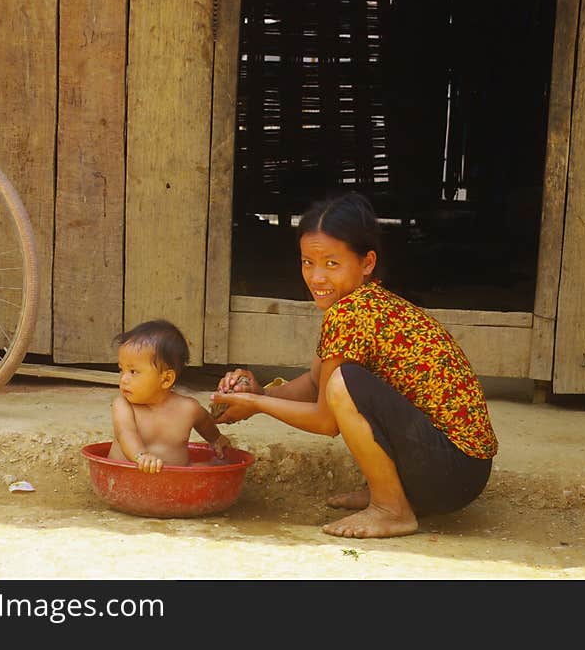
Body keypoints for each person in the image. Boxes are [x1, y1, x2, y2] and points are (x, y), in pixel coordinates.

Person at [210, 191, 498, 538]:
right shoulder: (357, 304)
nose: (316, 278)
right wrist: (258, 393)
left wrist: (256, 404)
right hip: (457, 472)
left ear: (367, 263)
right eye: (307, 262)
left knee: (345, 383)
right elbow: (318, 384)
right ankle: (390, 492)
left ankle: (391, 508)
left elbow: (327, 418)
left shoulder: (353, 311)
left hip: (451, 472)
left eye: (332, 263)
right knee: (340, 381)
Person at [109, 319, 231, 472]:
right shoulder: (123, 405)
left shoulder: (188, 409)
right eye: (121, 370)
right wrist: (141, 457)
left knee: (211, 467)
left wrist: (216, 439)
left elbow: (204, 421)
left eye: (133, 372)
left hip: (174, 482)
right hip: (127, 478)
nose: (123, 379)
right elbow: (125, 433)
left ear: (166, 379)